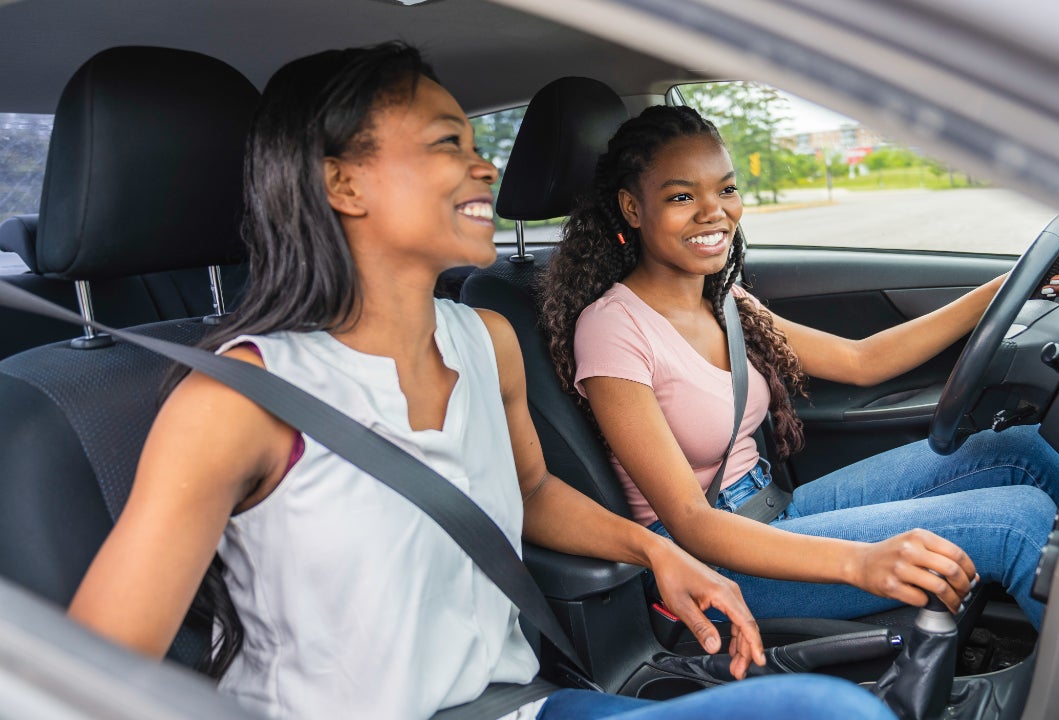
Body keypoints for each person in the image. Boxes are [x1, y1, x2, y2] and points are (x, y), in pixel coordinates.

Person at [65, 45, 896, 720]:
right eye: (445, 145)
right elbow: (84, 683)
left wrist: (656, 549)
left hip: (517, 704)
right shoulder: (238, 400)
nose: (483, 169)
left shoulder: (485, 337)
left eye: (473, 143)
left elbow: (527, 489)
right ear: (341, 183)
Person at [541, 105, 1059, 630]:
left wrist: (1011, 286)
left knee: (1018, 450)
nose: (714, 212)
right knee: (1015, 521)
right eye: (682, 196)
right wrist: (860, 562)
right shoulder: (612, 327)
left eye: (726, 189)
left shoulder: (724, 297)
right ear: (633, 209)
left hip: (773, 508)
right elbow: (692, 522)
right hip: (711, 564)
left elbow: (862, 360)